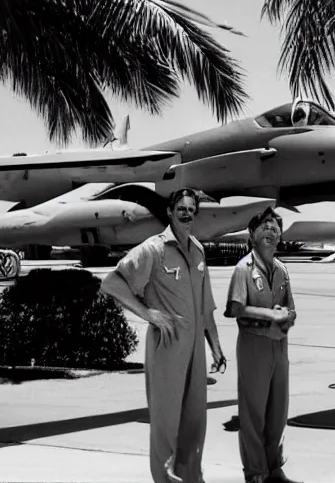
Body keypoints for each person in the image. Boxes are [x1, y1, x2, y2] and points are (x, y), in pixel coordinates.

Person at [101, 187, 226, 483]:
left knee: (195, 421)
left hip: (196, 351)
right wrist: (147, 314)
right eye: (181, 208)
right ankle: (165, 479)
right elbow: (112, 282)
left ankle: (191, 477)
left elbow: (205, 308)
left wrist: (216, 347)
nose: (187, 213)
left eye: (191, 209)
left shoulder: (198, 250)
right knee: (166, 423)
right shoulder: (153, 249)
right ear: (170, 212)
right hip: (167, 348)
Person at [224, 207, 300, 483]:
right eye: (264, 226)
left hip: (280, 346)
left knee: (278, 411)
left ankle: (274, 467)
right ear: (252, 234)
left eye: (274, 227)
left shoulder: (282, 269)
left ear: (280, 236)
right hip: (254, 347)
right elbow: (235, 308)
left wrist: (287, 318)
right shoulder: (243, 268)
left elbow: (291, 309)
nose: (270, 231)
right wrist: (271, 315)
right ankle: (256, 471)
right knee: (253, 412)